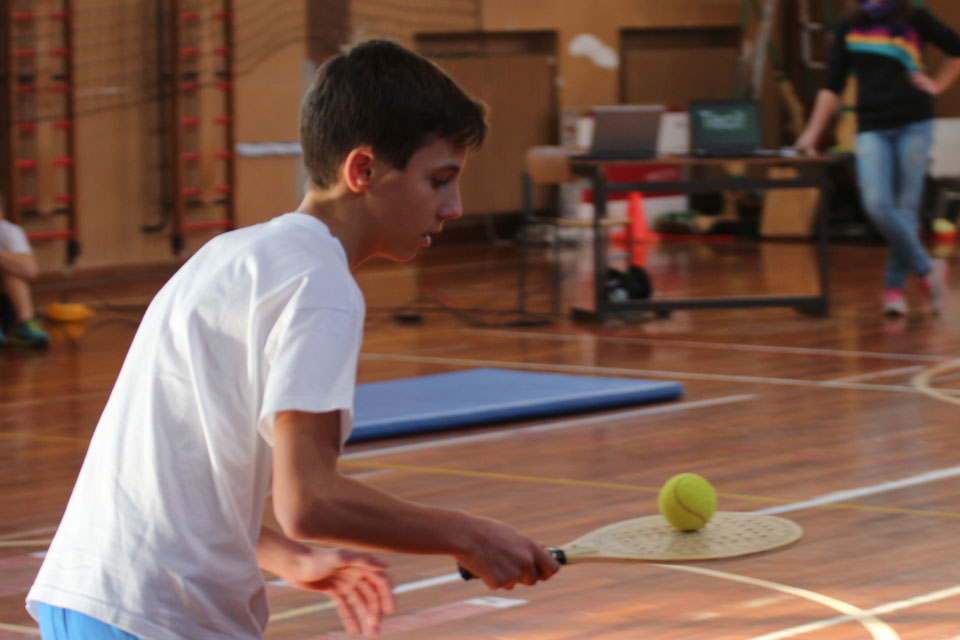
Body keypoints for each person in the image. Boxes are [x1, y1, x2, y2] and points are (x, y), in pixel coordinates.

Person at [26, 39, 559, 640]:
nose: (454, 207)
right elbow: (310, 503)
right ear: (362, 170)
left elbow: (182, 475)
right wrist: (471, 535)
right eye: (439, 180)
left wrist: (292, 559)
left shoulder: (228, 255)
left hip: (84, 594)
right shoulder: (320, 285)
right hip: (155, 617)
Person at [795, 0, 960, 316]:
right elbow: (832, 85)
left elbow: (956, 48)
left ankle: (893, 290)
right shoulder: (849, 24)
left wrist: (938, 85)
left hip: (914, 123)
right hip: (872, 127)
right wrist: (812, 132)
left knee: (905, 209)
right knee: (876, 203)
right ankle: (928, 269)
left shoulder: (914, 16)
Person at [0, 199, 50, 347]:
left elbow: (30, 270)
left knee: (11, 270)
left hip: (6, 305)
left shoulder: (8, 231)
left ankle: (26, 322)